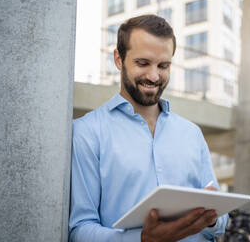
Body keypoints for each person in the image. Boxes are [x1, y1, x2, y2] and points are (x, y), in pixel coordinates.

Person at [69, 14, 228, 242]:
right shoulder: (87, 132)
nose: (154, 76)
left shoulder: (192, 134)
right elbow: (79, 230)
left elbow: (220, 225)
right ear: (118, 59)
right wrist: (141, 240)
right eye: (142, 63)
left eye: (163, 66)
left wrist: (212, 217)